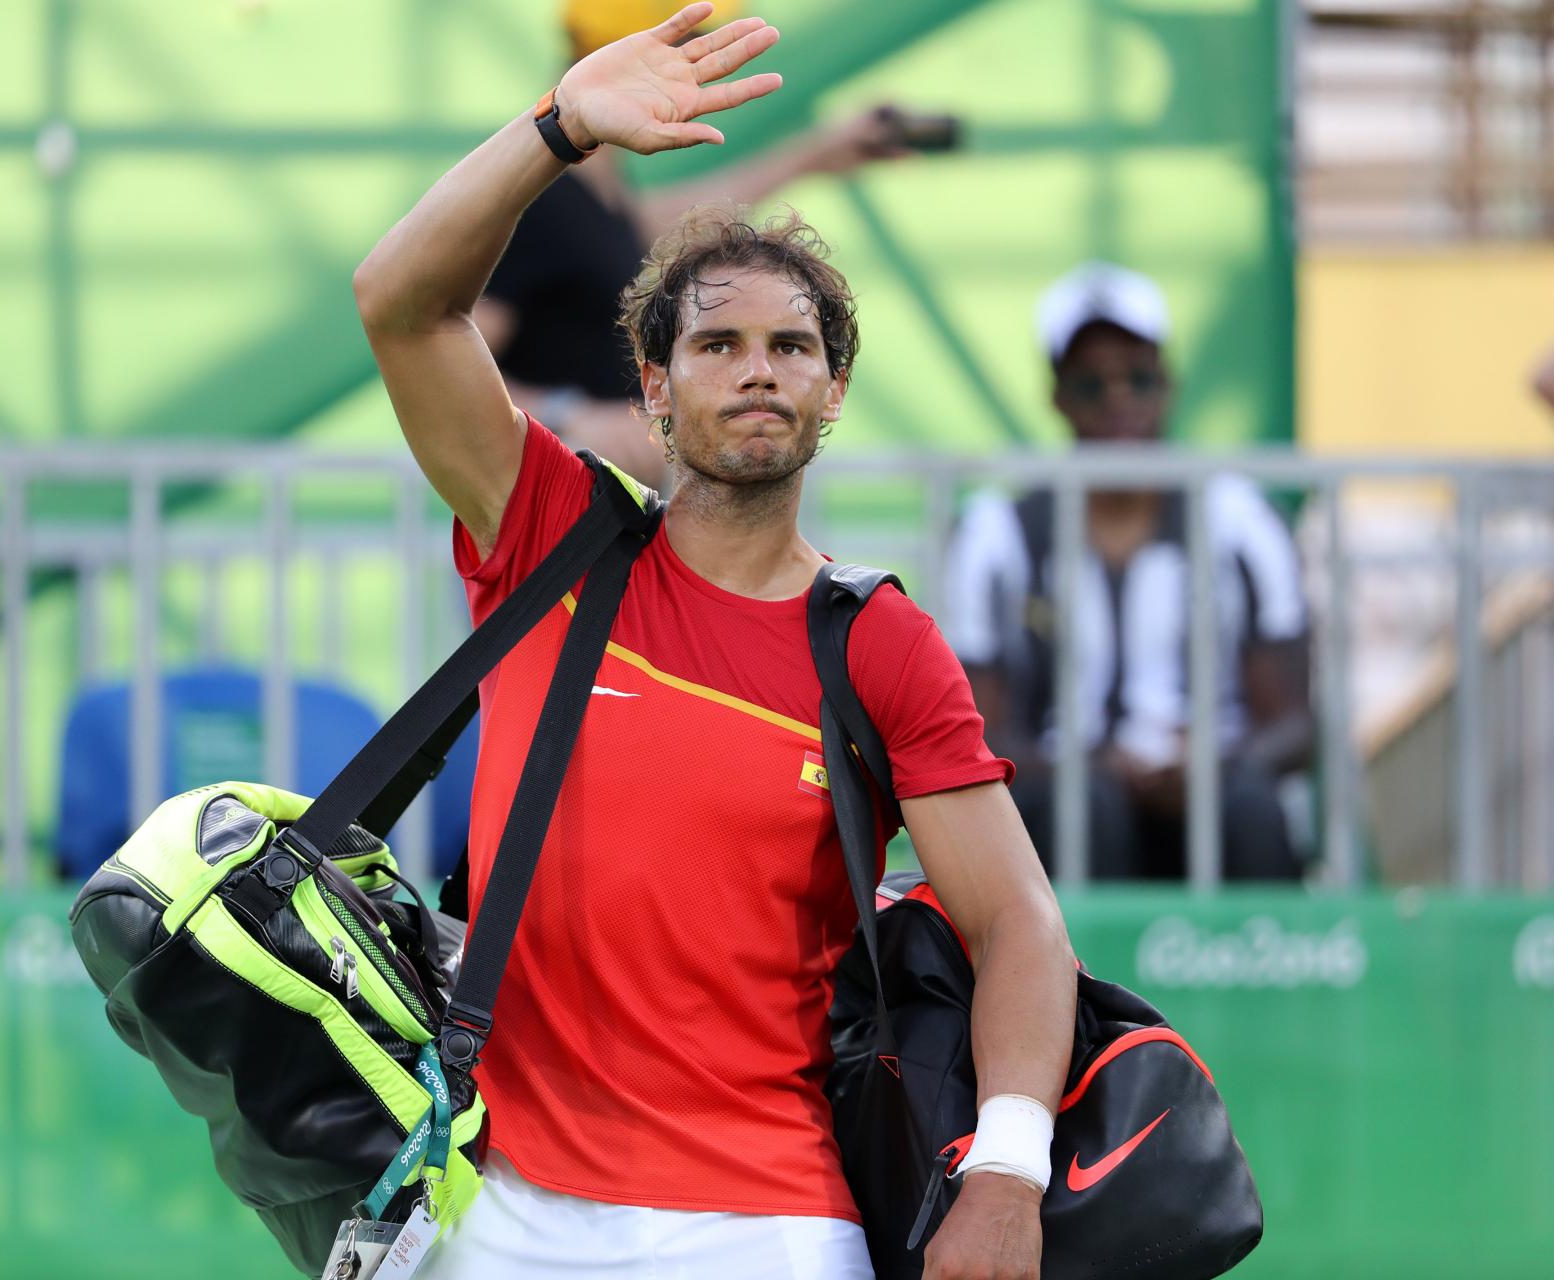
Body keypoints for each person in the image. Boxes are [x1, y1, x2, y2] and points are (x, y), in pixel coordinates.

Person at [352, 7, 1075, 1277]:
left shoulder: (879, 639)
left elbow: (1016, 921)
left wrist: (1007, 1175)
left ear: (830, 391)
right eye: (716, 344)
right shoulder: (546, 532)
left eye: (791, 346)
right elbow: (399, 304)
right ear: (651, 386)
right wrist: (558, 127)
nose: (757, 371)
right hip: (496, 1200)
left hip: (769, 1222)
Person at [944, 262, 1314, 882]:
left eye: (1138, 379)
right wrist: (1090, 768)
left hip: (1214, 785)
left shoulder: (1240, 520)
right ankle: (1072, 983)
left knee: (1249, 810)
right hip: (1064, 793)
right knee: (1083, 809)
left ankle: (1262, 976)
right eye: (1092, 384)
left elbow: (1296, 725)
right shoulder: (999, 531)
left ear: (1167, 385)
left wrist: (1210, 764)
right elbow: (974, 728)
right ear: (1058, 396)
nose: (1119, 401)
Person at [475, 0, 924, 487]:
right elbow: (453, 361)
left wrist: (816, 155)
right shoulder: (545, 203)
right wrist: (566, 415)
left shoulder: (594, 197)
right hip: (545, 515)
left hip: (593, 504)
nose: (698, 72)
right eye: (687, 48)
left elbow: (672, 223)